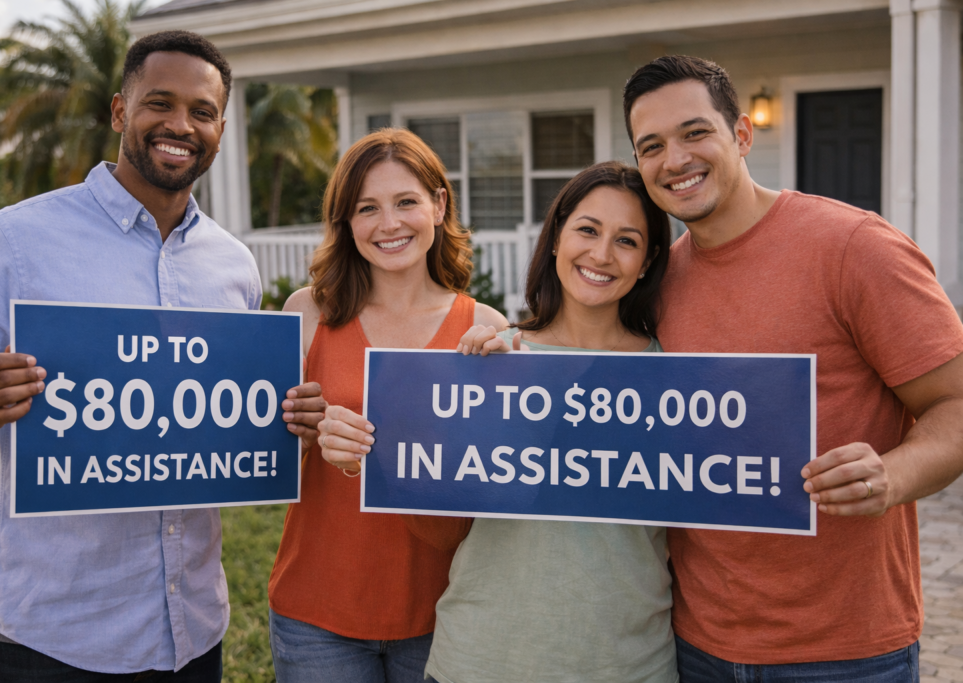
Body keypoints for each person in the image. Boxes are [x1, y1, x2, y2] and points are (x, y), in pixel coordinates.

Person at [0, 30, 324, 682]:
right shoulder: (10, 242)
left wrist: (287, 417)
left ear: (221, 128)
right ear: (121, 112)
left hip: (193, 629)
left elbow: (227, 414)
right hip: (46, 636)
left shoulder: (234, 266)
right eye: (159, 103)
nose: (180, 124)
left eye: (201, 111)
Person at [622, 54, 963, 681]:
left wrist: (890, 474)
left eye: (695, 132)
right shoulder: (657, 282)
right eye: (651, 146)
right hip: (698, 642)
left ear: (743, 134)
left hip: (846, 649)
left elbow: (955, 404)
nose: (674, 160)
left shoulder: (854, 248)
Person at [420, 161, 677, 683]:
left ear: (648, 262)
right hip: (479, 658)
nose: (601, 254)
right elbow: (437, 506)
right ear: (557, 237)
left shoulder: (672, 374)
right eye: (587, 229)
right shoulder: (493, 357)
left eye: (626, 241)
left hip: (628, 664)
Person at [267, 128, 506, 682]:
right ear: (346, 223)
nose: (389, 224)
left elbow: (497, 489)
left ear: (439, 205)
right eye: (367, 208)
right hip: (317, 613)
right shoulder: (307, 313)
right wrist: (305, 438)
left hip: (443, 612)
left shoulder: (485, 330)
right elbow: (266, 460)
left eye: (406, 202)